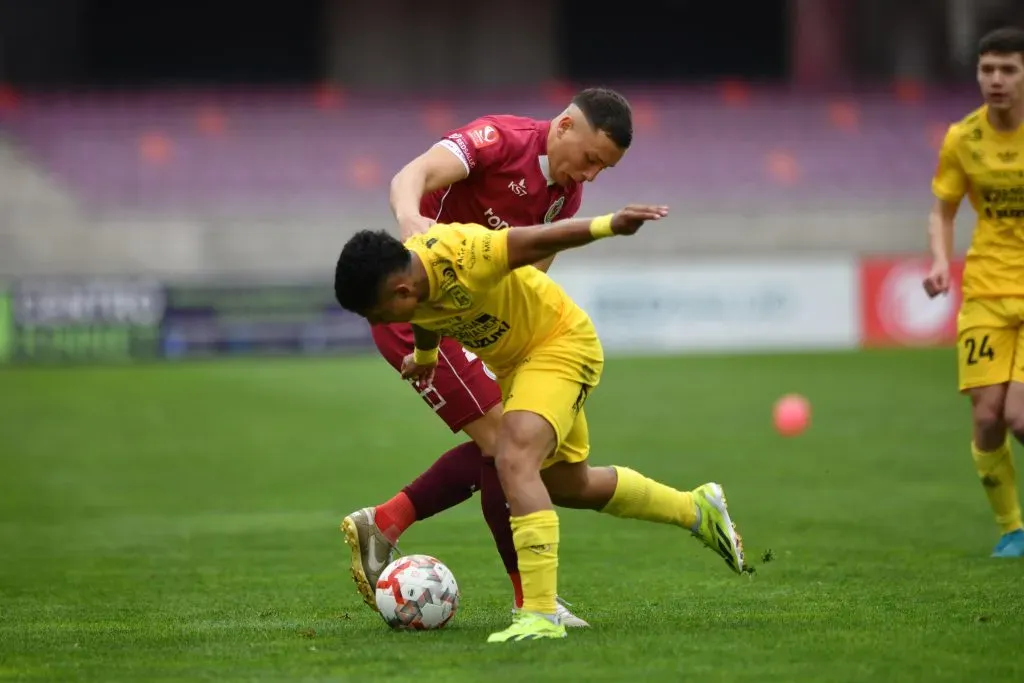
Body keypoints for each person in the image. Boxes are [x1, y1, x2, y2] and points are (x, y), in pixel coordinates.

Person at [333, 205, 746, 643]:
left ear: (399, 290)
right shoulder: (414, 289)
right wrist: (427, 357)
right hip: (519, 367)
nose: (380, 326)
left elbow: (539, 239)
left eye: (378, 315)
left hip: (559, 345)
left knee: (512, 458)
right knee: (570, 485)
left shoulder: (464, 255)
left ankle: (540, 611)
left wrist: (609, 225)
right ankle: (696, 509)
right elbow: (426, 317)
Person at [340, 87, 633, 626]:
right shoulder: (499, 140)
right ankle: (530, 602)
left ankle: (385, 522)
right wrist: (411, 222)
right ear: (565, 126)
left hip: (470, 327)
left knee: (515, 446)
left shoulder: (564, 199)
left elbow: (525, 281)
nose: (591, 175)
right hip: (419, 314)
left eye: (604, 170)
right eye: (591, 159)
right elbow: (412, 173)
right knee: (509, 446)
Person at [924, 26, 1024, 558]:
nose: (996, 80)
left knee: (1020, 416)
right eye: (988, 69)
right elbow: (943, 210)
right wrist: (941, 260)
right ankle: (1013, 528)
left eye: (1008, 69)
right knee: (987, 417)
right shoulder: (963, 138)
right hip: (986, 287)